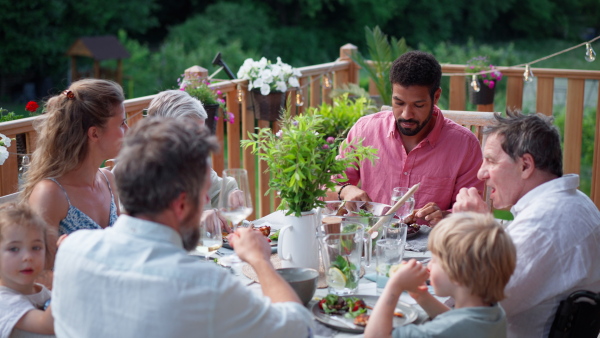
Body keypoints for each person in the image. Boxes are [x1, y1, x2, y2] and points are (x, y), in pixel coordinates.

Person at [51, 118, 313, 337]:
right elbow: (299, 329)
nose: (207, 203)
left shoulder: (71, 251)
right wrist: (260, 260)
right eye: (204, 195)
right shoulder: (204, 285)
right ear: (181, 204)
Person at [452, 110, 600, 337]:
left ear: (525, 166)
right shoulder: (576, 202)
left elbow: (474, 306)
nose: (481, 173)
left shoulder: (543, 225)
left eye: (490, 160)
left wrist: (475, 229)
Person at [335, 51, 484, 226]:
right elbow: (326, 187)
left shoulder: (465, 145)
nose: (406, 114)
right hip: (372, 242)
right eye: (399, 103)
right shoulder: (365, 130)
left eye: (418, 105)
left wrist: (444, 216)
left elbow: (472, 215)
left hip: (432, 247)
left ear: (436, 97)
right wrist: (346, 190)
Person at [365, 212, 516, 338]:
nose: (429, 264)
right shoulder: (493, 313)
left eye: (435, 260)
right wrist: (421, 295)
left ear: (458, 274)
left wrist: (394, 286)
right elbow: (453, 319)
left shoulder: (445, 330)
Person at [22, 79, 126, 238]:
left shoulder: (108, 181)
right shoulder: (50, 194)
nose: (128, 129)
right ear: (94, 133)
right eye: (122, 123)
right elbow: (41, 261)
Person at [145, 89, 242, 230]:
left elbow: (219, 189)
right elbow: (150, 230)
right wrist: (196, 221)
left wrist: (232, 195)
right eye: (191, 134)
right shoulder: (140, 173)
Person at [0, 203, 55, 337]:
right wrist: (71, 272)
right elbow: (48, 325)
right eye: (14, 249)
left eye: (36, 248)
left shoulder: (42, 292)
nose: (27, 257)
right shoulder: (4, 301)